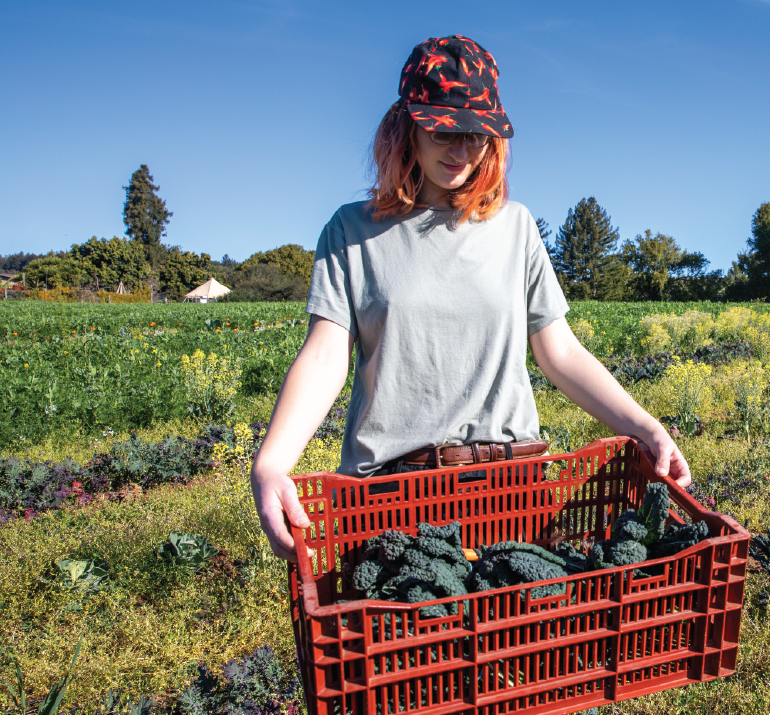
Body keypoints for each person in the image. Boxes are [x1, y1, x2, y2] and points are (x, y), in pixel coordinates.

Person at [249, 35, 691, 562]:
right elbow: (325, 356)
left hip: (512, 489)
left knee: (523, 638)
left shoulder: (516, 228)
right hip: (391, 495)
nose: (460, 151)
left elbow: (562, 353)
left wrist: (645, 427)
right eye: (444, 131)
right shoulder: (352, 231)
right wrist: (272, 461)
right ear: (407, 125)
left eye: (476, 135)